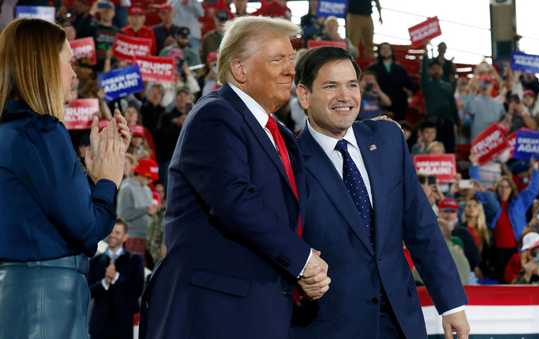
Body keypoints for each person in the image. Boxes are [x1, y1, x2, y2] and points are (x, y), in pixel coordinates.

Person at [140, 17, 330, 339]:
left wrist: (308, 270)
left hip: (263, 308)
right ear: (240, 70)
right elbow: (233, 200)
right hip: (214, 312)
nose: (290, 70)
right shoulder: (215, 115)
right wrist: (302, 260)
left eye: (291, 59)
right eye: (277, 60)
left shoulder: (281, 135)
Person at [292, 46, 468, 339]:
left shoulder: (388, 139)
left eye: (351, 85)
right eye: (331, 86)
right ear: (304, 95)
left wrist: (450, 305)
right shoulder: (287, 160)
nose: (345, 96)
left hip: (400, 322)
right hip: (327, 326)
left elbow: (420, 225)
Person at [0, 18, 130, 339]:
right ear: (43, 65)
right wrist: (108, 179)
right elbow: (87, 230)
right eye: (69, 62)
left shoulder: (12, 131)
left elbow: (43, 212)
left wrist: (90, 173)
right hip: (44, 302)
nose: (74, 74)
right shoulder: (41, 131)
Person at [88, 220, 145, 339]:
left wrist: (117, 277)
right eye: (111, 231)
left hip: (124, 326)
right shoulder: (95, 261)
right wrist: (105, 282)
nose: (113, 235)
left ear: (125, 237)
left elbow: (137, 290)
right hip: (99, 327)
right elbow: (88, 291)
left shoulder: (135, 260)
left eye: (117, 232)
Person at [367, 42, 415, 121]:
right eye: (383, 49)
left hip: (399, 102)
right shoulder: (372, 68)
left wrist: (410, 92)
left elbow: (409, 84)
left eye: (387, 48)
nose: (385, 50)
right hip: (379, 101)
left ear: (392, 51)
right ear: (379, 51)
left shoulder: (400, 68)